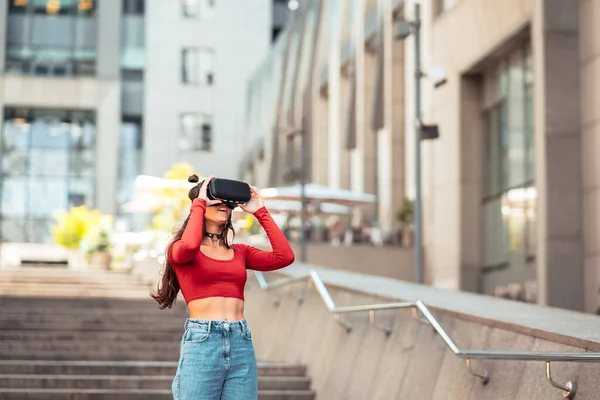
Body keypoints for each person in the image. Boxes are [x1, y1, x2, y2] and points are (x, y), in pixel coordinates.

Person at [151, 175, 295, 400]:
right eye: (215, 200)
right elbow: (189, 245)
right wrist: (200, 200)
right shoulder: (180, 250)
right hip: (203, 343)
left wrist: (260, 212)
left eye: (227, 203)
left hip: (240, 341)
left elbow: (284, 257)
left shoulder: (240, 252)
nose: (223, 206)